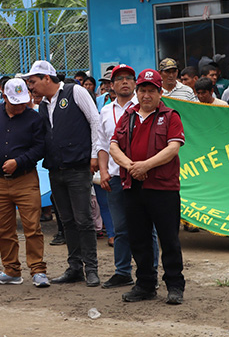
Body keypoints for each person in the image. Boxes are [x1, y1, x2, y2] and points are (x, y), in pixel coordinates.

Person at [110, 69, 186, 305]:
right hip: (133, 187)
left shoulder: (171, 115)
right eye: (142, 90)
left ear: (159, 92)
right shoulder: (128, 116)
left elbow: (173, 147)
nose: (146, 95)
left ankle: (174, 286)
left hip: (163, 188)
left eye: (151, 90)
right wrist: (131, 166)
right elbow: (113, 146)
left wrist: (146, 166)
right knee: (139, 238)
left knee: (169, 239)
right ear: (137, 91)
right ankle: (145, 284)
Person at [23, 60, 101, 287]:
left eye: (33, 82)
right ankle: (75, 267)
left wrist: (95, 155)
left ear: (47, 78)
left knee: (84, 219)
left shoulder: (75, 91)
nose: (31, 87)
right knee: (66, 220)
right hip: (56, 170)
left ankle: (92, 269)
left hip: (78, 168)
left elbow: (95, 121)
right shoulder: (43, 105)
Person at [0, 78, 49, 288]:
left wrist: (19, 161)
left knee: (32, 227)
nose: (20, 106)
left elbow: (40, 147)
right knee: (4, 229)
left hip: (25, 179)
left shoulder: (34, 119)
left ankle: (38, 270)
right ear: (4, 97)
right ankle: (11, 270)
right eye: (15, 102)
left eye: (23, 102)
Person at [97, 64, 160, 289]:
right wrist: (103, 171)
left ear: (135, 84)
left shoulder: (145, 106)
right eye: (119, 79)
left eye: (129, 78)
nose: (124, 82)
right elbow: (102, 144)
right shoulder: (105, 111)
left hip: (142, 176)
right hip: (115, 176)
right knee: (120, 227)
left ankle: (150, 271)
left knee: (147, 227)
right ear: (111, 85)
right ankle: (122, 271)